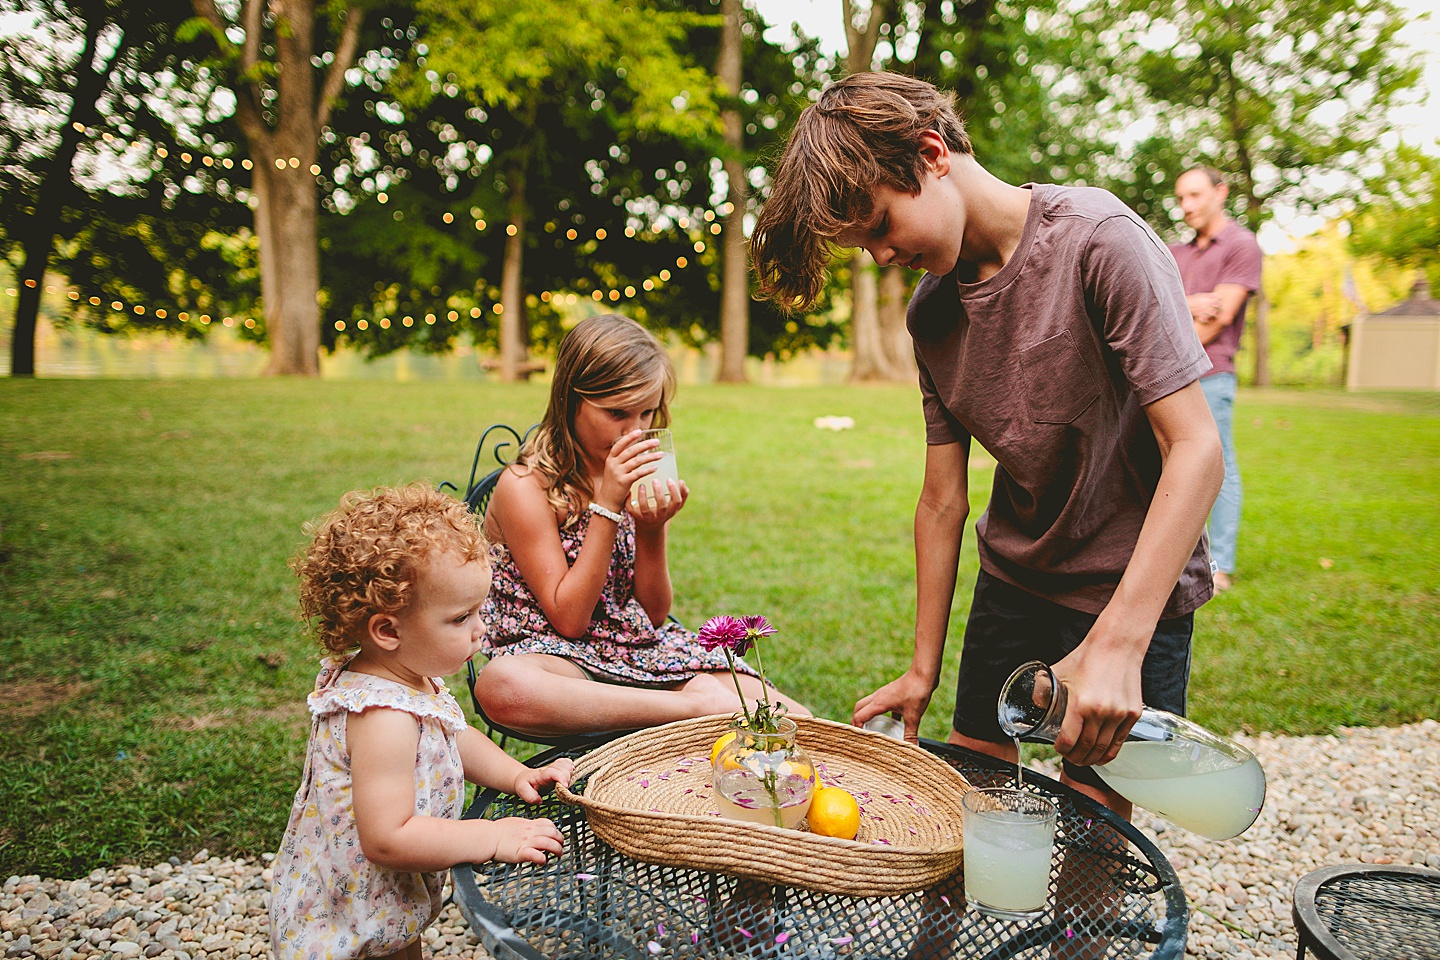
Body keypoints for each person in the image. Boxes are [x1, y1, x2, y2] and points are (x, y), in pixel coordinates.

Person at [751, 72, 1223, 819]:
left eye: (877, 227)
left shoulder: (1100, 242)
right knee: (973, 810)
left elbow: (1197, 448)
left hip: (1130, 585)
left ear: (932, 154)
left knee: (1092, 825)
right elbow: (942, 499)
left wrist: (1120, 644)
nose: (877, 258)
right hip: (1015, 580)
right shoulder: (930, 314)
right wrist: (920, 668)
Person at [271, 485, 575, 960]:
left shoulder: (410, 680)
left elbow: (453, 736)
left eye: (480, 610)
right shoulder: (383, 717)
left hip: (380, 900)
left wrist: (516, 774)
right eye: (460, 618)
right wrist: (491, 837)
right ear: (388, 630)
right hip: (351, 921)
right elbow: (388, 837)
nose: (481, 629)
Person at [473, 313, 810, 738]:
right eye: (616, 413)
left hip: (631, 647)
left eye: (646, 413)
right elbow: (569, 620)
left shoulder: (635, 473)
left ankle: (871, 764)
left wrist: (652, 530)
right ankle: (691, 709)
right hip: (556, 656)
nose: (634, 431)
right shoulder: (525, 486)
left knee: (792, 719)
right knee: (503, 686)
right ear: (571, 400)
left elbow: (652, 615)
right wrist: (608, 506)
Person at [1169, 167, 1263, 592]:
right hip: (1167, 376)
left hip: (1211, 374)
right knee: (1165, 467)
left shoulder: (1241, 245)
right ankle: (1172, 560)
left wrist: (1174, 315)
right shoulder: (1175, 251)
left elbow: (1220, 317)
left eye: (1195, 195)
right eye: (1181, 198)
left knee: (1217, 467)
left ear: (1220, 193)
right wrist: (1188, 303)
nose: (1186, 206)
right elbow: (1153, 306)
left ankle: (1218, 564)